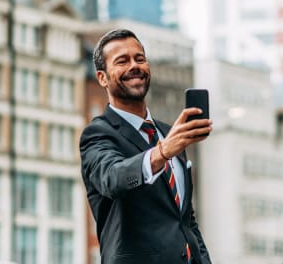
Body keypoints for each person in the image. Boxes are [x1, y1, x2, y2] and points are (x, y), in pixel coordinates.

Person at [79, 29, 213, 264]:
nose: (134, 66)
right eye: (122, 61)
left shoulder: (169, 134)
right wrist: (161, 153)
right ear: (102, 78)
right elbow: (113, 178)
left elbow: (185, 220)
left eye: (139, 58)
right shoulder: (98, 134)